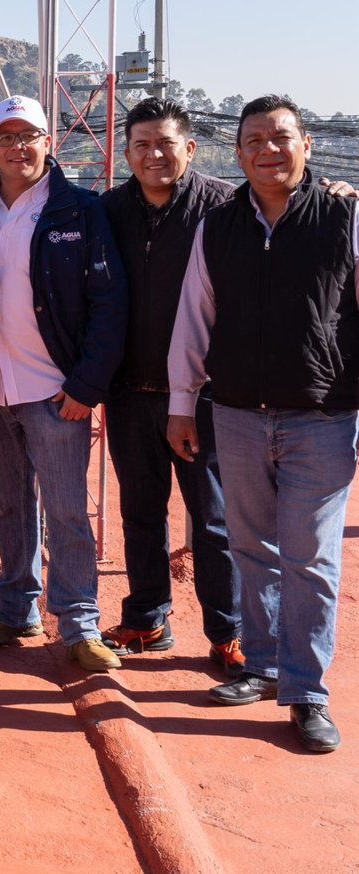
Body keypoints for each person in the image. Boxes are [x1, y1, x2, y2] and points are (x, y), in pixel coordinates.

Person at [168, 94, 355, 754]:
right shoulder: (218, 227)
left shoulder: (344, 215)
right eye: (254, 140)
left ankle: (306, 693)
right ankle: (265, 664)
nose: (267, 150)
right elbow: (195, 316)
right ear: (238, 152)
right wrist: (182, 401)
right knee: (251, 547)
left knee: (310, 556)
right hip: (238, 414)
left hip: (323, 416)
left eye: (280, 137)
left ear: (306, 144)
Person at [0, 95, 126, 673]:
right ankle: (15, 610)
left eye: (28, 135)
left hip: (56, 391)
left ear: (48, 141)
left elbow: (109, 302)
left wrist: (85, 384)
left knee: (66, 510)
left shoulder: (81, 209)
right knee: (8, 505)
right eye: (5, 138)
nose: (17, 147)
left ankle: (79, 623)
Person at [99, 97, 242, 675]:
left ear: (190, 147)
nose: (154, 155)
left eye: (165, 144)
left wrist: (331, 191)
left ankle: (229, 632)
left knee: (213, 520)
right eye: (142, 145)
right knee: (140, 514)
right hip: (128, 391)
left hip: (204, 395)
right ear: (126, 153)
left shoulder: (226, 207)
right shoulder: (108, 210)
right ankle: (147, 619)